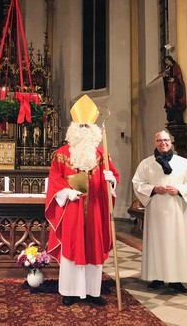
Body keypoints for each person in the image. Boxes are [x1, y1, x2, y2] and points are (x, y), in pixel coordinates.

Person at [45, 95, 120, 306]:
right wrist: (67, 192)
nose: (85, 129)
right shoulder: (61, 154)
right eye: (81, 125)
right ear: (74, 128)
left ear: (94, 129)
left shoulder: (101, 154)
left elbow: (114, 177)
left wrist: (111, 180)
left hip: (95, 209)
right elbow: (54, 179)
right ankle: (69, 291)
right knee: (72, 246)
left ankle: (93, 292)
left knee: (93, 246)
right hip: (72, 209)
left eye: (88, 126)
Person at [132, 129, 187, 295]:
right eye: (160, 141)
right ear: (155, 143)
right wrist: (153, 188)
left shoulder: (183, 162)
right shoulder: (146, 163)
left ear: (171, 142)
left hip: (176, 210)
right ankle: (157, 277)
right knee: (157, 243)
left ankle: (176, 280)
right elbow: (137, 183)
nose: (163, 143)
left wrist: (179, 189)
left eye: (166, 140)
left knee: (177, 243)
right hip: (156, 209)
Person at [162, 55, 187, 124]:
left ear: (171, 60)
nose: (167, 62)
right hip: (169, 88)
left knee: (176, 102)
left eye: (168, 60)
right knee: (168, 103)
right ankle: (171, 119)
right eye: (166, 61)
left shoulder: (176, 66)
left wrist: (174, 79)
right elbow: (166, 79)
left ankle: (178, 119)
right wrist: (164, 77)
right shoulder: (168, 69)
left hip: (175, 88)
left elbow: (179, 75)